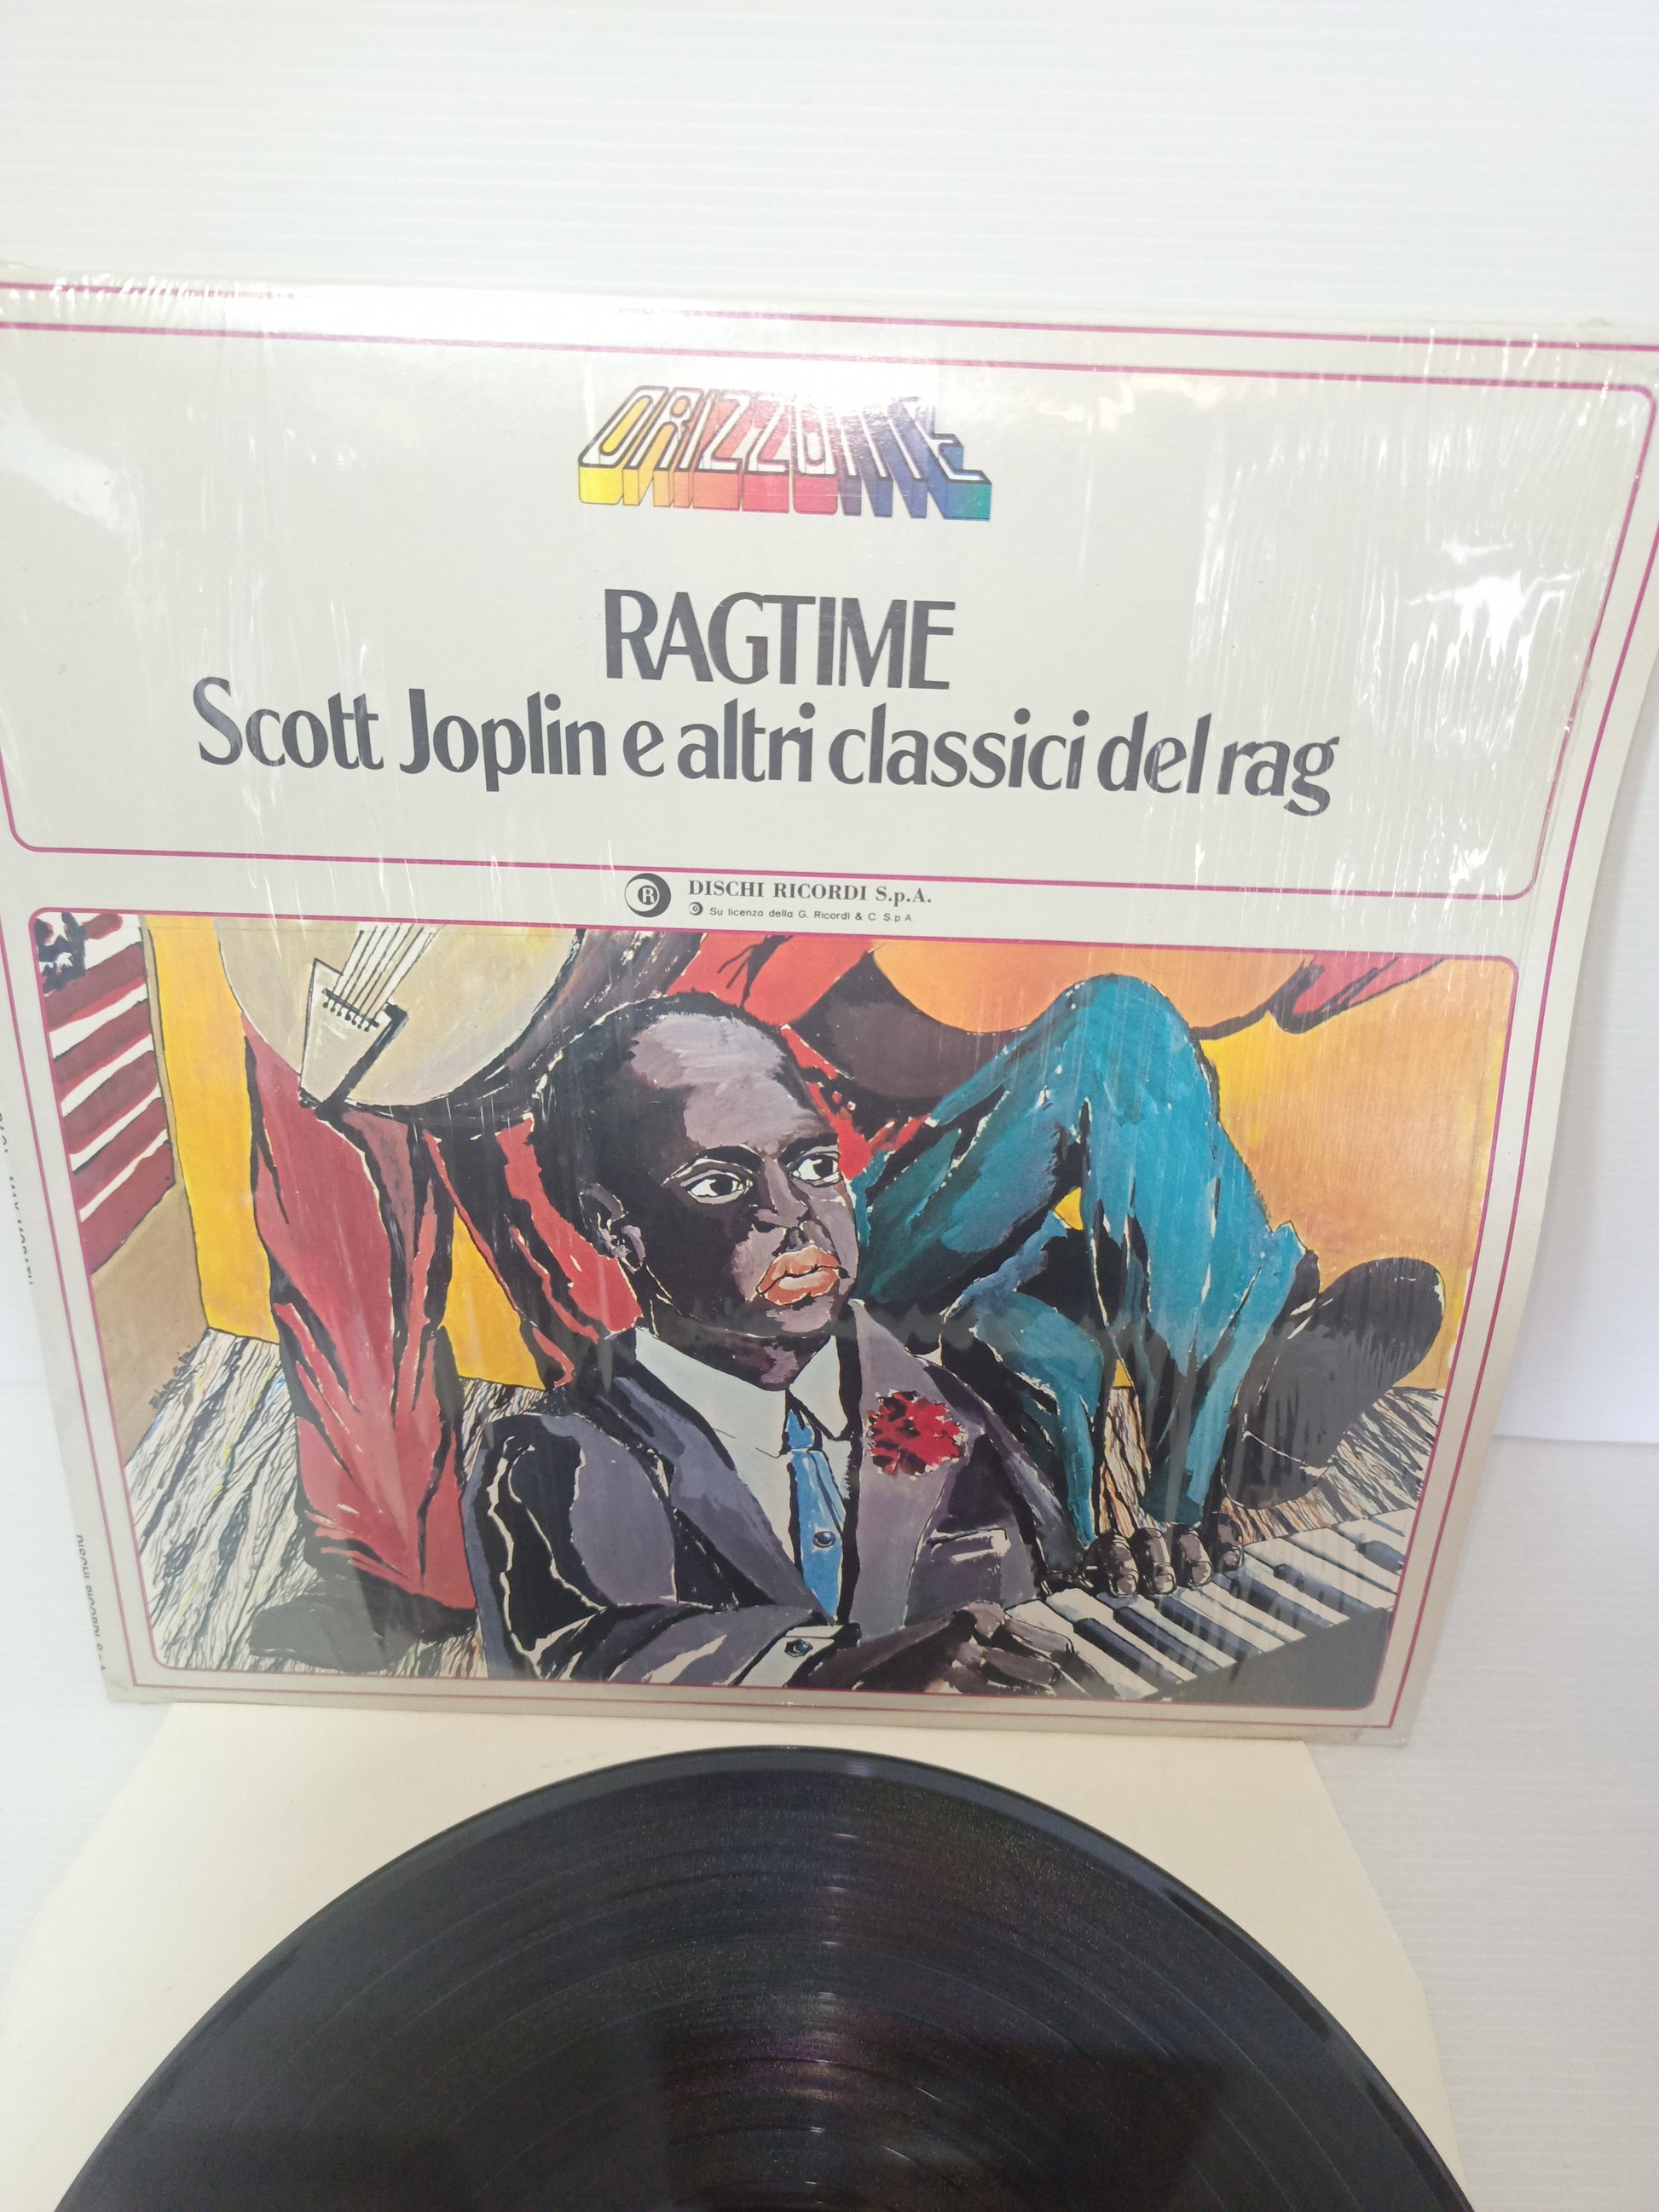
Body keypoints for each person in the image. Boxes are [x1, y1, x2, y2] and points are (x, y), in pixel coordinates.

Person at [464, 989, 1439, 1689]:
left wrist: (1118, 1580)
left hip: (924, 1336)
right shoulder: (559, 1453)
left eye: (812, 1164)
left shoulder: (952, 1415)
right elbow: (608, 1654)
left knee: (1052, 1282)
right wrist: (849, 1667)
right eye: (721, 1184)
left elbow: (1016, 1603)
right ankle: (1236, 1417)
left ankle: (1216, 1445)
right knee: (1110, 1047)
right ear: (618, 1230)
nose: (789, 1211)